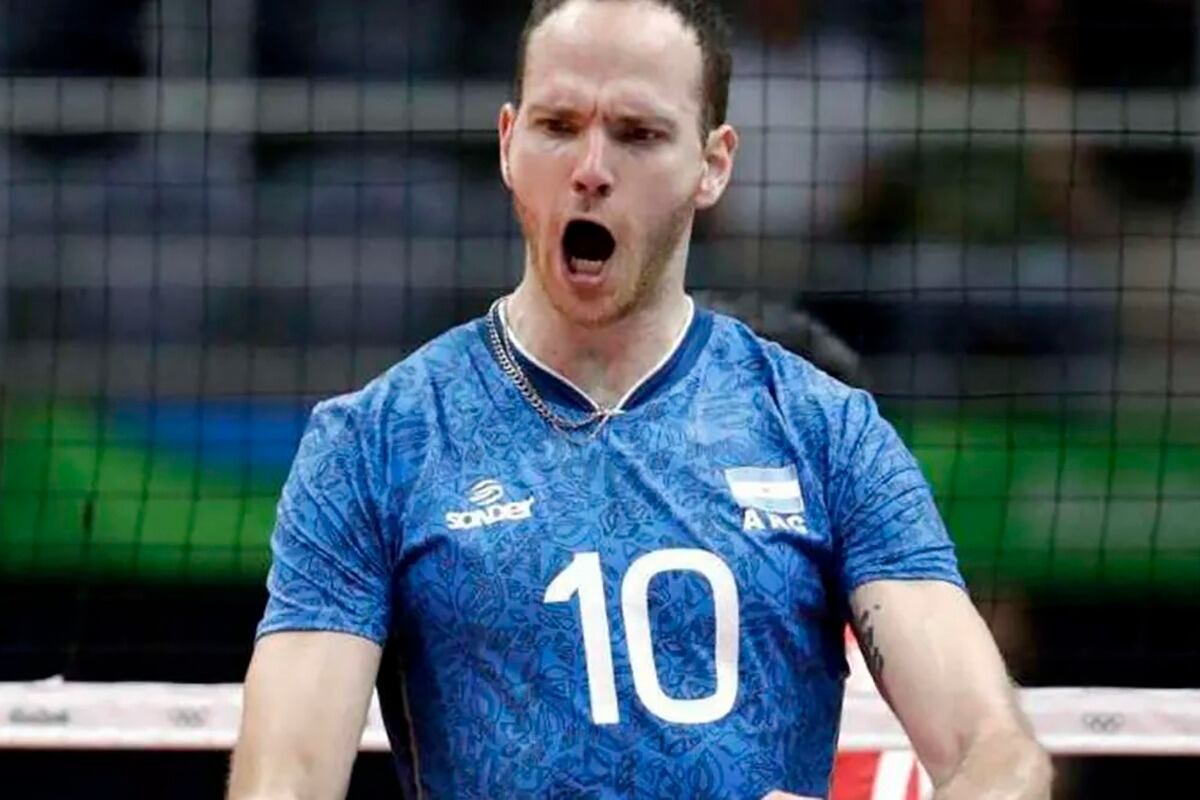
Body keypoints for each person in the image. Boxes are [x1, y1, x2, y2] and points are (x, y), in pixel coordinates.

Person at [227, 1, 1052, 798]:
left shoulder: (826, 433)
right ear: (509, 144)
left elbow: (996, 756)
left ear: (712, 164)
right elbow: (286, 782)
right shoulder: (376, 442)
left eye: (638, 134)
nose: (591, 170)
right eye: (558, 126)